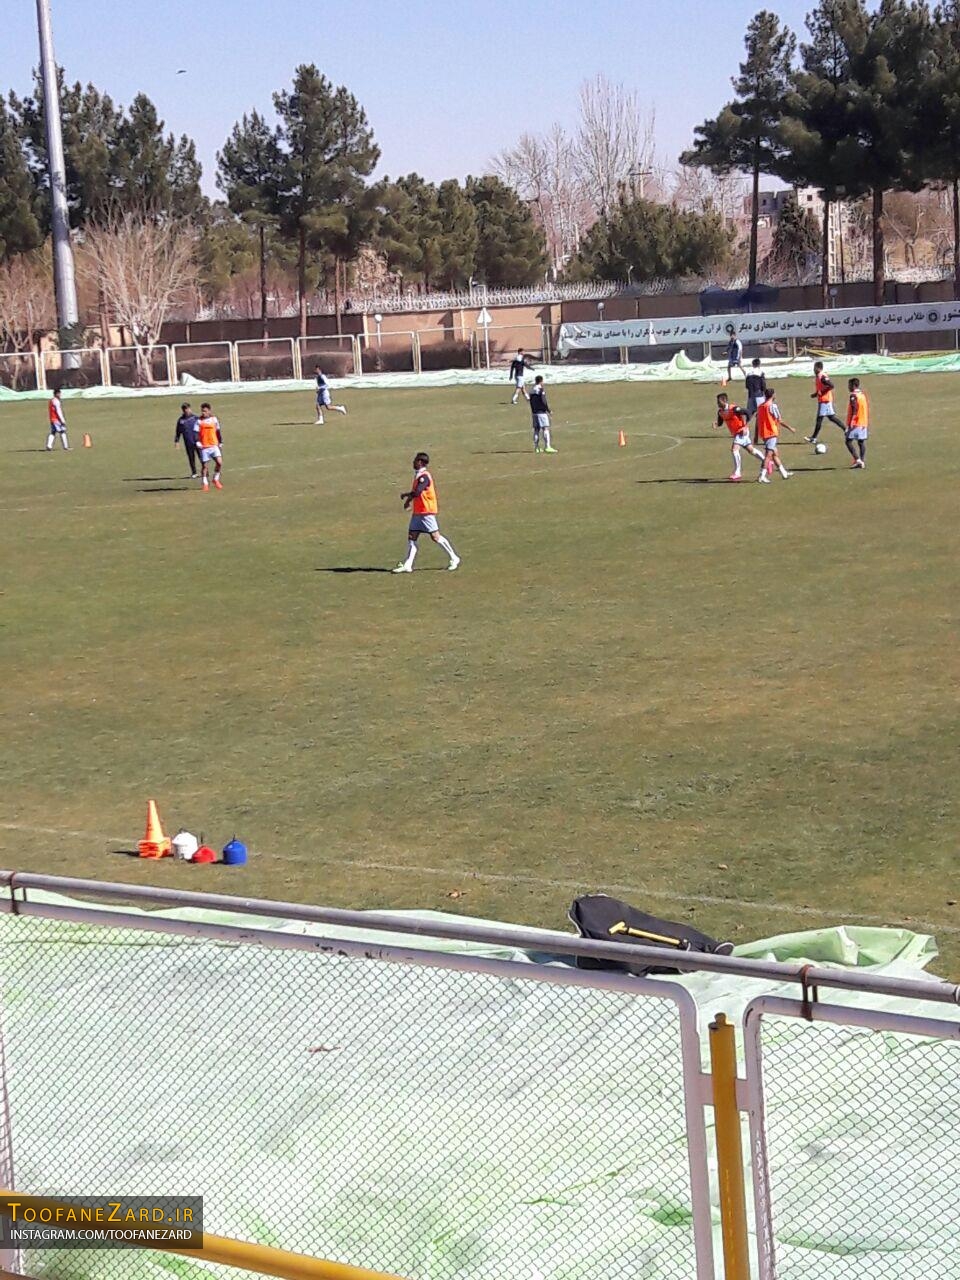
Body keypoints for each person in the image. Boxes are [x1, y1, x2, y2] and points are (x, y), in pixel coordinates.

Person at [392, 452, 460, 573]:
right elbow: (416, 492)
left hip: (426, 512)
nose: (413, 462)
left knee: (435, 537)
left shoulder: (425, 477)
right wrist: (408, 501)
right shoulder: (418, 475)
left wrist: (406, 496)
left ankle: (454, 558)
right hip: (418, 512)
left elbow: (418, 492)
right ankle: (408, 564)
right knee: (412, 537)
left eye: (415, 460)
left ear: (420, 462)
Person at [714, 392, 766, 482]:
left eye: (719, 401)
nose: (717, 403)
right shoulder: (720, 412)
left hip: (741, 432)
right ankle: (766, 461)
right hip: (737, 433)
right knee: (751, 450)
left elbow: (748, 412)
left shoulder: (734, 409)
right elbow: (720, 422)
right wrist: (716, 424)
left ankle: (737, 472)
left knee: (734, 449)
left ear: (724, 401)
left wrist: (745, 426)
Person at [754, 388, 796, 483]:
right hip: (771, 433)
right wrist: (790, 428)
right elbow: (779, 420)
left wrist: (756, 436)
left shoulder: (761, 406)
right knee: (768, 455)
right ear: (773, 395)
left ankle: (784, 473)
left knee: (774, 454)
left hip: (764, 434)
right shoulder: (772, 406)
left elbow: (757, 421)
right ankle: (762, 476)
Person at [805, 361, 846, 442]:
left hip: (825, 400)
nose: (813, 370)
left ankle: (813, 438)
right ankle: (846, 430)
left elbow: (831, 385)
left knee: (819, 419)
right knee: (832, 417)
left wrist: (822, 392)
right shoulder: (818, 376)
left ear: (818, 368)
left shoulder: (822, 376)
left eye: (814, 368)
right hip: (825, 399)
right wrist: (815, 394)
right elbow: (821, 388)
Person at [196, 402, 223, 491]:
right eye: (202, 411)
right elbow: (195, 433)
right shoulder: (199, 421)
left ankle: (216, 479)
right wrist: (197, 442)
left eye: (205, 411)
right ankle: (205, 483)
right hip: (205, 447)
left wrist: (220, 441)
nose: (203, 413)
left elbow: (218, 431)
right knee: (205, 466)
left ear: (209, 411)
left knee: (219, 462)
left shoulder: (214, 420)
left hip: (214, 445)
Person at [845, 377, 869, 469]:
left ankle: (858, 460)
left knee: (848, 441)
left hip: (856, 423)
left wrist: (852, 421)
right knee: (861, 442)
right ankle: (862, 461)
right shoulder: (862, 395)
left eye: (849, 385)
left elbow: (855, 409)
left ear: (853, 385)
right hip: (863, 421)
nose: (848, 387)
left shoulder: (853, 396)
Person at [529, 375, 557, 454]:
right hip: (541, 412)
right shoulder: (540, 390)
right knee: (545, 428)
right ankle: (547, 447)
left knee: (536, 430)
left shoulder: (531, 390)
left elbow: (531, 401)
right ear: (541, 381)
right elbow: (543, 401)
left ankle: (536, 448)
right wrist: (548, 410)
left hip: (534, 412)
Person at [174, 402, 200, 478]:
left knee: (202, 457)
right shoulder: (181, 420)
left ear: (190, 408)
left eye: (187, 409)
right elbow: (178, 431)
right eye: (184, 409)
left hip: (198, 441)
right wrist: (177, 441)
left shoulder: (195, 418)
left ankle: (205, 471)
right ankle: (194, 472)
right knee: (191, 458)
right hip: (188, 442)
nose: (186, 410)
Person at [45, 387, 69, 451]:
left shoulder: (51, 401)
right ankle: (66, 446)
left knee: (53, 432)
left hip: (52, 419)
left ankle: (49, 446)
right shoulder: (56, 401)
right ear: (56, 394)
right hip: (56, 419)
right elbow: (58, 411)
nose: (60, 395)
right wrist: (62, 420)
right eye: (59, 393)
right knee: (62, 431)